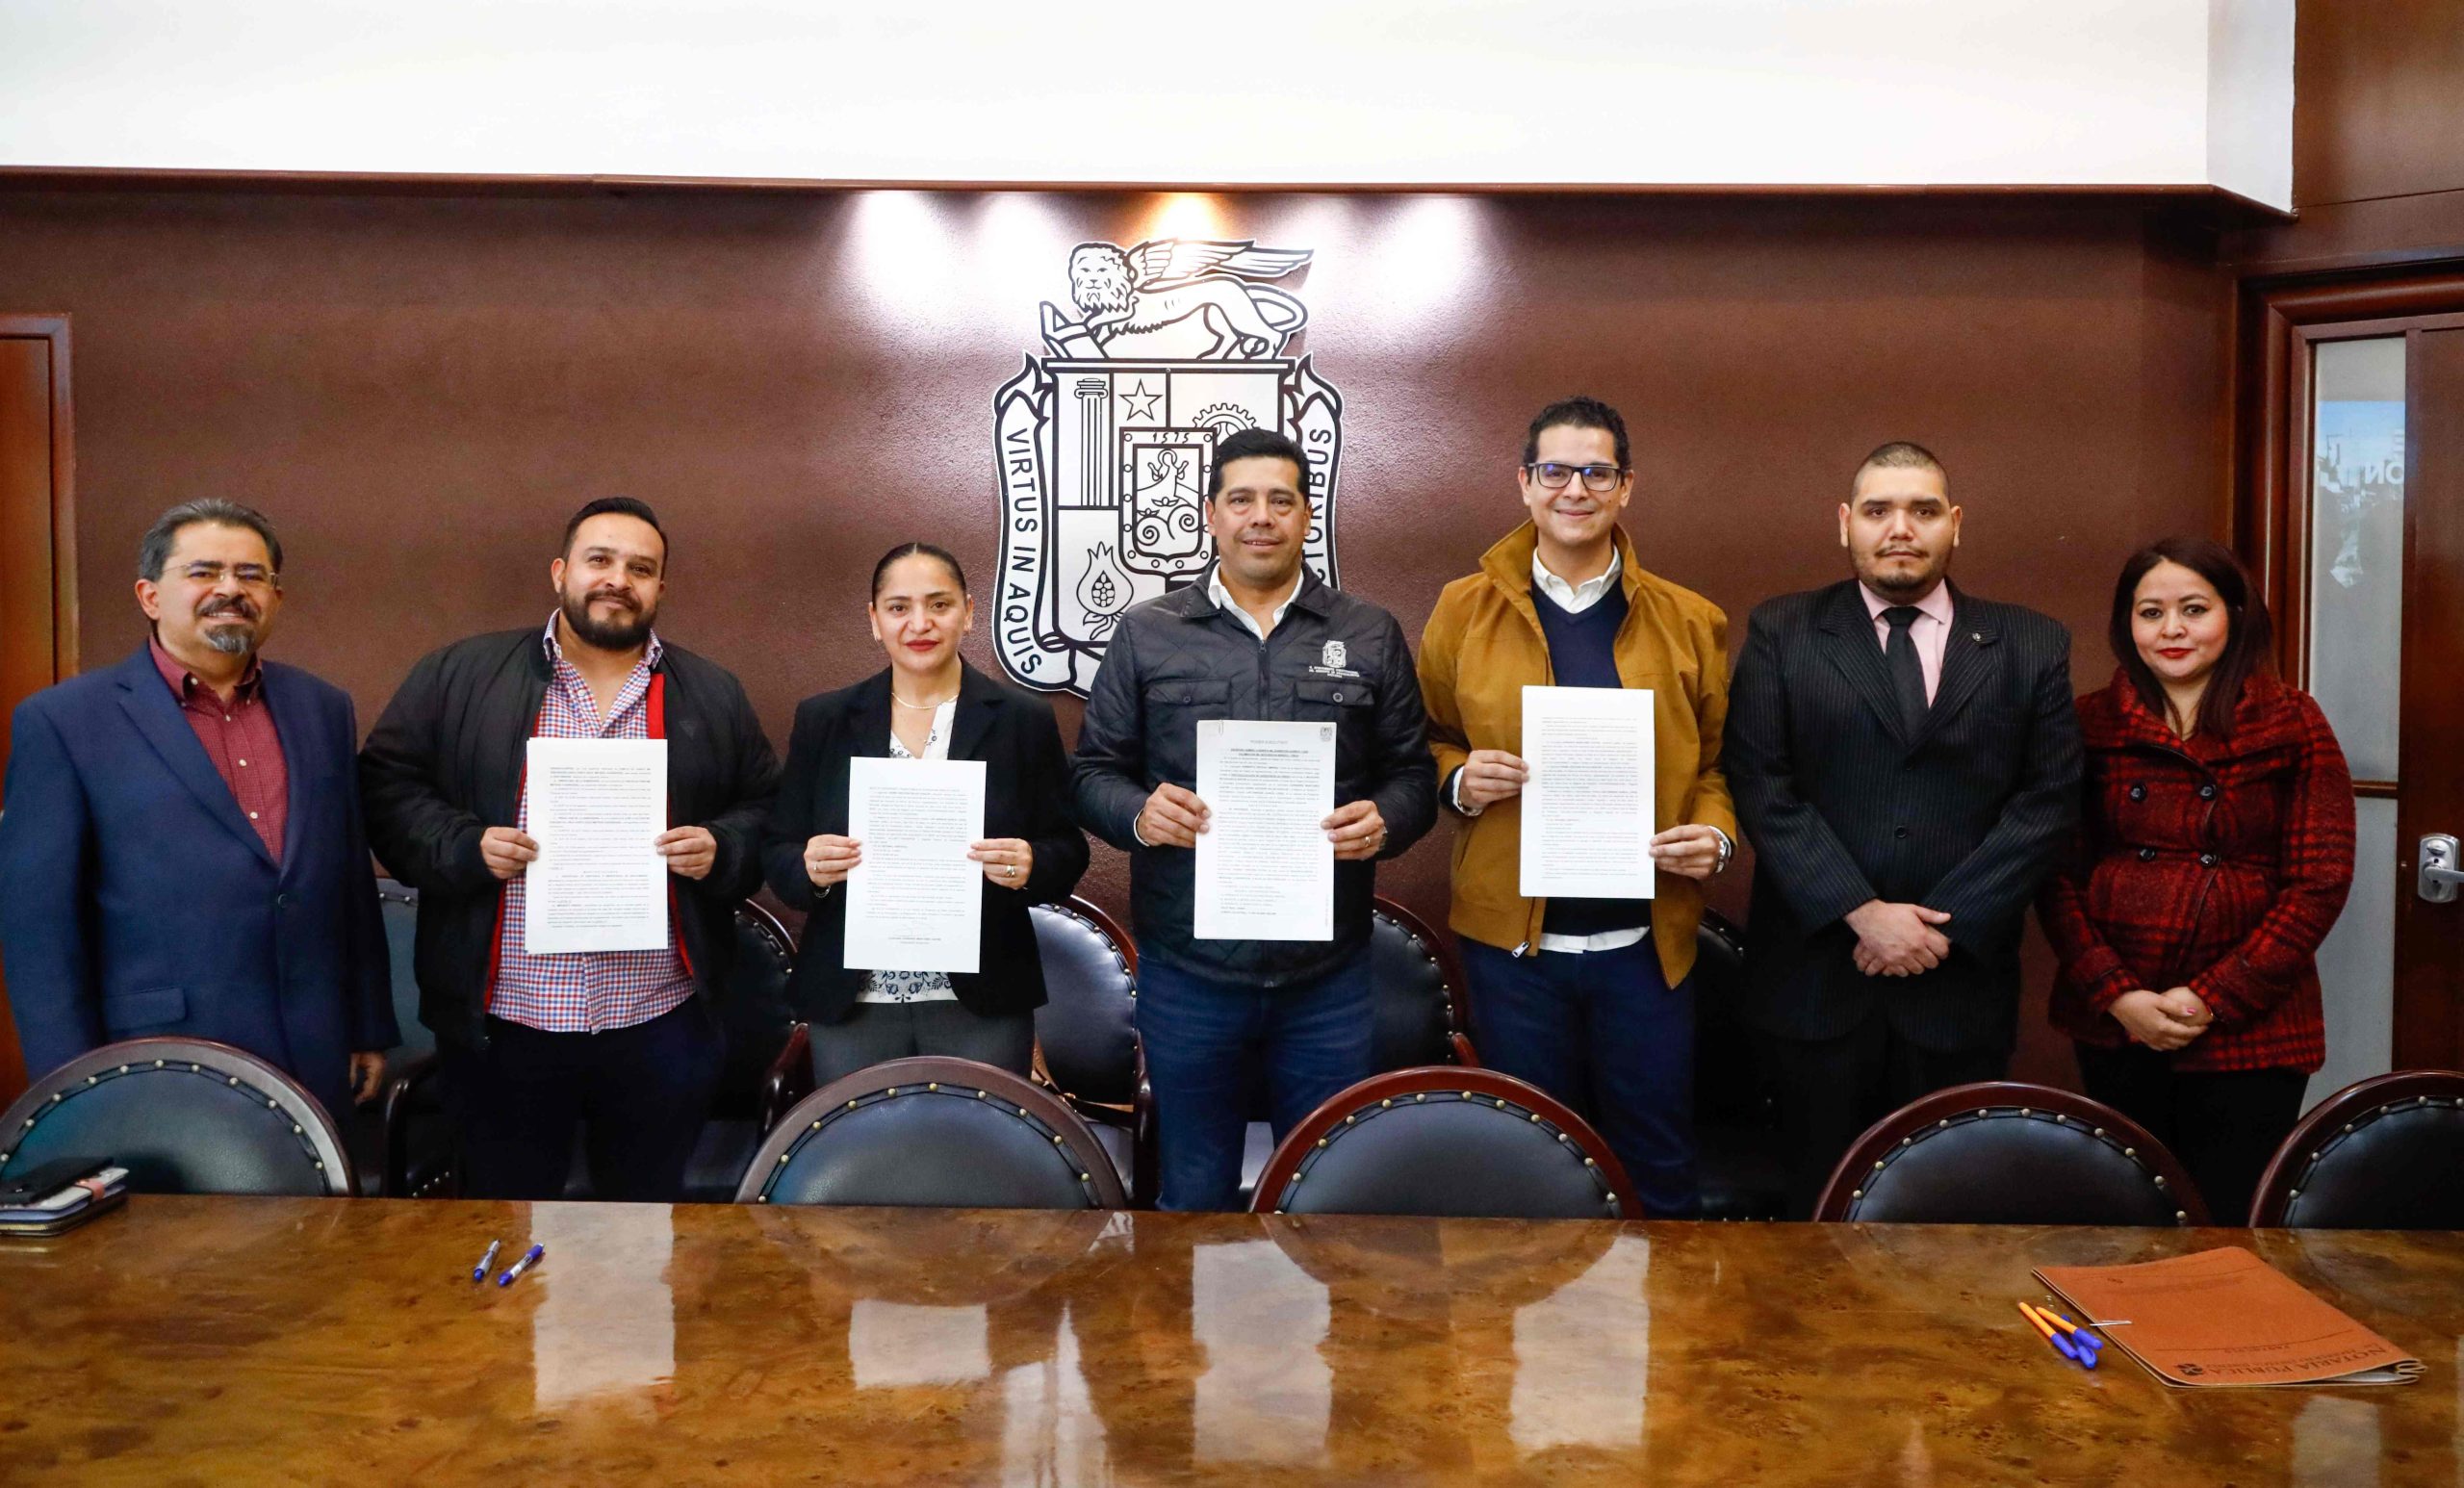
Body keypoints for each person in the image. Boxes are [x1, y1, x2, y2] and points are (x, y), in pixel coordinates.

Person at [359, 497, 779, 1201]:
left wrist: (723, 846)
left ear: (660, 587)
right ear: (560, 572)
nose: (618, 579)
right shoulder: (459, 674)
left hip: (660, 1021)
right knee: (504, 1228)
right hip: (504, 1024)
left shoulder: (713, 692)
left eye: (640, 568)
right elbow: (385, 785)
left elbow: (767, 809)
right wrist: (463, 845)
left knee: (642, 1236)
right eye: (599, 560)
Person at [1073, 426, 1438, 1211]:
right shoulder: (1148, 631)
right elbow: (1092, 774)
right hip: (1190, 972)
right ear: (1211, 514)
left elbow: (1415, 774)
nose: (1260, 517)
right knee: (1193, 1197)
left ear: (1308, 515)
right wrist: (1140, 814)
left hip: (1328, 976)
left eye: (1280, 500)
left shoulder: (1366, 631)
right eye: (1241, 500)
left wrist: (1388, 820)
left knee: (1321, 1200)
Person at [1727, 442, 2082, 1218]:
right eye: (1879, 510)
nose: (1900, 528)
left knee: (1948, 1224)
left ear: (1954, 524)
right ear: (1845, 523)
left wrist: (1938, 929)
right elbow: (1762, 784)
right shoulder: (1783, 631)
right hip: (1815, 989)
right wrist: (1862, 912)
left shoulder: (2031, 644)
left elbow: (2047, 802)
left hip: (1956, 987)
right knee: (1814, 1224)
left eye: (1922, 511)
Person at [1416, 396, 1737, 1218]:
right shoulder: (1463, 608)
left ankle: (1662, 1310)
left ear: (1625, 487)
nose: (1575, 490)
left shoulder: (1690, 619)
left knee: (1660, 1171)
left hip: (1646, 947)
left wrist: (1715, 834)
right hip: (1513, 953)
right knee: (1530, 1172)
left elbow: (1717, 764)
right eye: (1555, 470)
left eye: (1597, 472)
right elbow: (1425, 741)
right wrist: (1459, 779)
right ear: (1525, 482)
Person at [0, 500, 395, 1120]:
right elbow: (38, 931)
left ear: (276, 597)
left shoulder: (322, 707)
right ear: (150, 595)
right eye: (204, 572)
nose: (230, 589)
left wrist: (367, 1023)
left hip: (315, 1048)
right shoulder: (65, 721)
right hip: (155, 1058)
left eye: (251, 575)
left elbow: (347, 876)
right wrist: (70, 1091)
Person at [2039, 538, 2352, 1222]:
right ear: (2127, 624)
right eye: (2151, 612)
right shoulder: (2087, 722)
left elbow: (2320, 882)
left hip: (2254, 1021)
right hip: (2120, 1018)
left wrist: (2213, 997)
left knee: (2230, 1219)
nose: (2172, 629)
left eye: (2193, 609)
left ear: (2234, 615)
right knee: (2131, 1216)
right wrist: (2117, 994)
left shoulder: (2294, 721)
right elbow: (2055, 875)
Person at [762, 543, 1089, 1082]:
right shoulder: (826, 718)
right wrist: (809, 867)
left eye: (939, 604)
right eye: (899, 607)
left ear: (968, 612)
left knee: (982, 1135)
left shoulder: (1021, 719)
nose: (920, 623)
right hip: (852, 998)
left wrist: (1030, 863)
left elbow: (1067, 848)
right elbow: (778, 849)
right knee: (859, 1136)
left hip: (982, 994)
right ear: (875, 620)